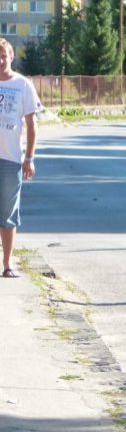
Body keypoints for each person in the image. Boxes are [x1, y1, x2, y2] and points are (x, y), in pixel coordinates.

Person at [0, 38, 40, 279]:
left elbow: (31, 125)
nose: (0, 59)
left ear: (11, 56)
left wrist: (29, 158)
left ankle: (7, 263)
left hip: (12, 160)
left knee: (8, 215)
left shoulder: (23, 85)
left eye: (4, 54)